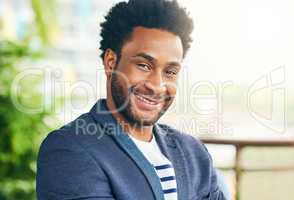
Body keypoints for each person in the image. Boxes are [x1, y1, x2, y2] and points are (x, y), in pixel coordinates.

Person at [36, 0, 229, 199]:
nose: (157, 85)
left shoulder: (194, 154)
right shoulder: (69, 150)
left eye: (170, 72)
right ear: (111, 62)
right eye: (144, 65)